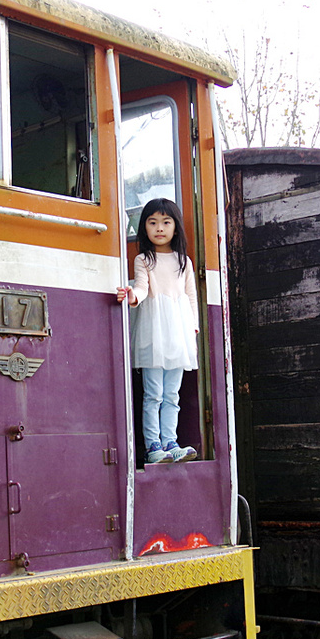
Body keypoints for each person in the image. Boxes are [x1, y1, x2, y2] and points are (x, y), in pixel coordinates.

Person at [116, 198, 200, 464]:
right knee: (153, 393)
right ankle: (153, 447)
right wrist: (132, 296)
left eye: (166, 222)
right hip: (153, 331)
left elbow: (190, 296)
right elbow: (141, 287)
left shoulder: (184, 261)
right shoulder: (144, 259)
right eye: (152, 222)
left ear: (176, 227)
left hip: (178, 331)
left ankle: (170, 442)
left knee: (172, 394)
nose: (159, 228)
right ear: (144, 228)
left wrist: (194, 325)